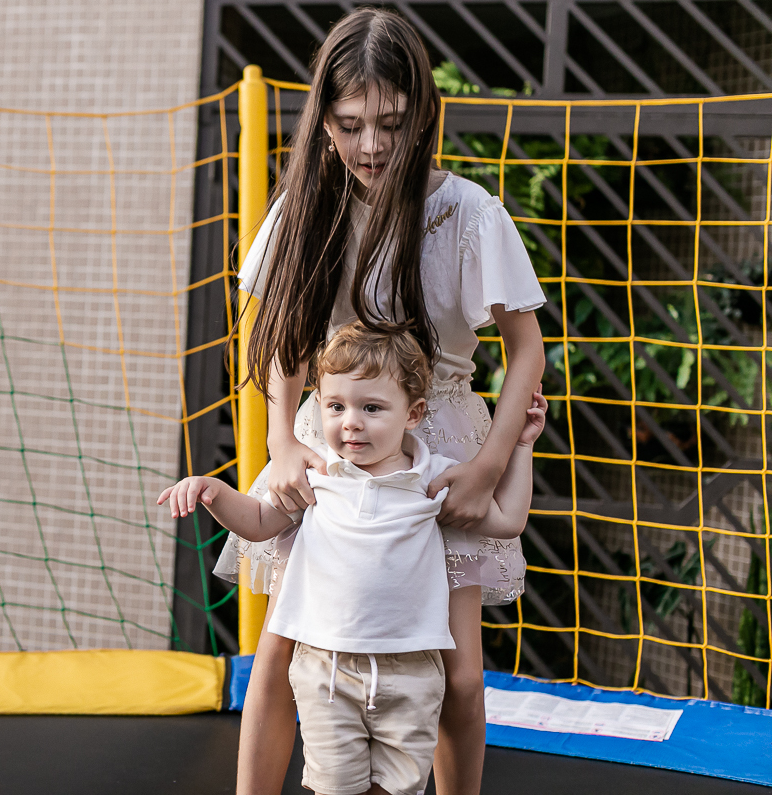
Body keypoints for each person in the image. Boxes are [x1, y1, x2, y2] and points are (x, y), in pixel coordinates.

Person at [211, 7, 548, 795]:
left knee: (461, 678)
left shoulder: (466, 212)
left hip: (441, 449)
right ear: (324, 119)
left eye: (391, 123)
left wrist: (492, 464)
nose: (371, 146)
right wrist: (281, 447)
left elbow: (526, 346)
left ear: (421, 114)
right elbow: (282, 336)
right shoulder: (307, 208)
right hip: (334, 440)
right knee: (281, 655)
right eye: (351, 123)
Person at [161, 324, 546, 795]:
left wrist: (522, 446)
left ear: (414, 413)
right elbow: (259, 522)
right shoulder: (318, 475)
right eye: (336, 407)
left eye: (372, 408)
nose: (351, 423)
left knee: (396, 790)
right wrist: (211, 491)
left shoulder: (433, 479)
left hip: (414, 671)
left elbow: (507, 521)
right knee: (336, 788)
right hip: (327, 669)